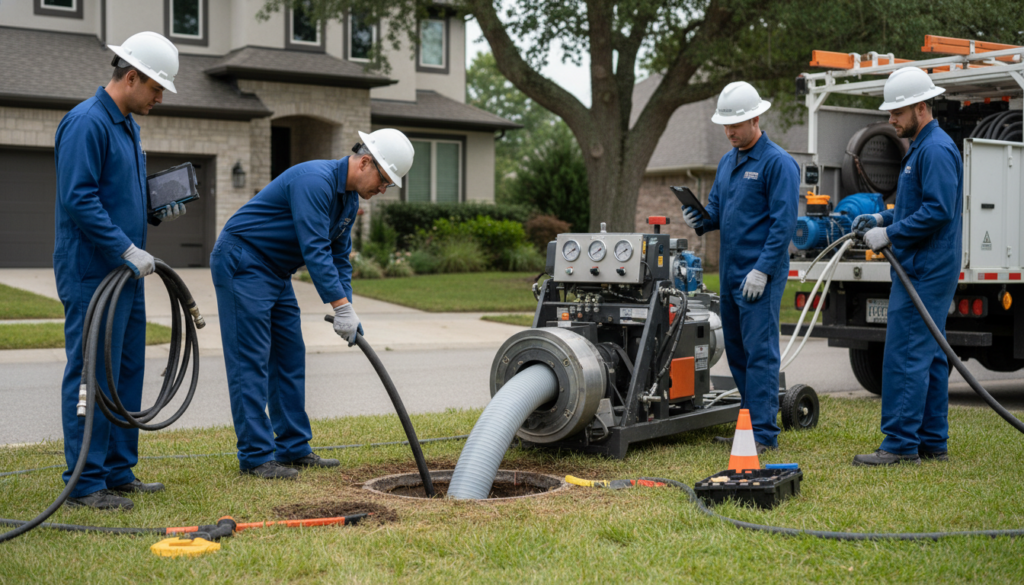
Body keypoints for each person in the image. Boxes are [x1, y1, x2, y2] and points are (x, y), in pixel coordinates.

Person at [211, 129, 414, 479]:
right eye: (384, 180)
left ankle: (292, 448)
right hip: (243, 260)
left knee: (290, 356)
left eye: (389, 185)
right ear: (365, 162)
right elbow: (315, 250)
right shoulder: (314, 181)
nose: (383, 190)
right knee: (251, 362)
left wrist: (347, 306)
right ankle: (257, 457)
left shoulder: (348, 200)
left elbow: (339, 258)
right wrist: (339, 307)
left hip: (275, 270)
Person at [54, 32, 185, 510]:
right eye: (156, 88)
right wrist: (124, 246)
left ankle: (116, 471)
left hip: (125, 274)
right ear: (130, 77)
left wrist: (151, 210)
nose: (160, 97)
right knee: (92, 375)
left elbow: (114, 194)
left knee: (126, 372)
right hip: (92, 273)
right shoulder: (86, 122)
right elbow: (79, 198)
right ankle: (84, 483)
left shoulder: (126, 125)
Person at [851, 68, 962, 466]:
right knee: (930, 355)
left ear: (920, 106)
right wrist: (883, 220)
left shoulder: (934, 149)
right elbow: (920, 205)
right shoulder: (922, 146)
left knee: (906, 352)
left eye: (897, 113)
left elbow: (938, 209)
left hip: (926, 266)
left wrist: (892, 236)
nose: (892, 121)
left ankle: (898, 445)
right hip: (925, 263)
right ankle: (932, 442)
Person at [681, 81, 799, 453]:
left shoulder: (778, 163)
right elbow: (717, 213)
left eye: (736, 124)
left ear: (755, 118)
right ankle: (748, 427)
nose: (729, 132)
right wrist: (698, 217)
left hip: (758, 276)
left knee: (760, 353)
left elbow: (783, 225)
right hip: (731, 274)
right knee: (736, 351)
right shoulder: (727, 162)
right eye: (725, 125)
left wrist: (762, 269)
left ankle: (763, 434)